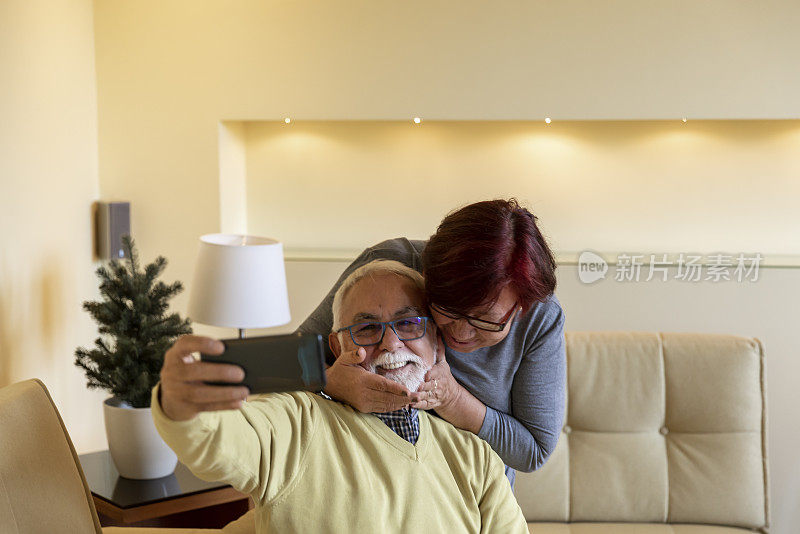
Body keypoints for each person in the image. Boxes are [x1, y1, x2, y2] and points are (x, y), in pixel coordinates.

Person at [153, 260, 528, 533]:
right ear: (338, 344)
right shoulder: (298, 423)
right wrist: (181, 404)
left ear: (437, 343)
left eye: (408, 322)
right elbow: (218, 441)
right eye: (366, 328)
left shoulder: (476, 459)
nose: (390, 343)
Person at [301, 198, 566, 486]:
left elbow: (534, 451)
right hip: (368, 483)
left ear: (521, 308)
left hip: (472, 497)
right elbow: (286, 359)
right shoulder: (390, 265)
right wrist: (331, 382)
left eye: (485, 320)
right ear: (427, 273)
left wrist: (454, 399)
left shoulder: (541, 317)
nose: (460, 334)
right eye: (447, 309)